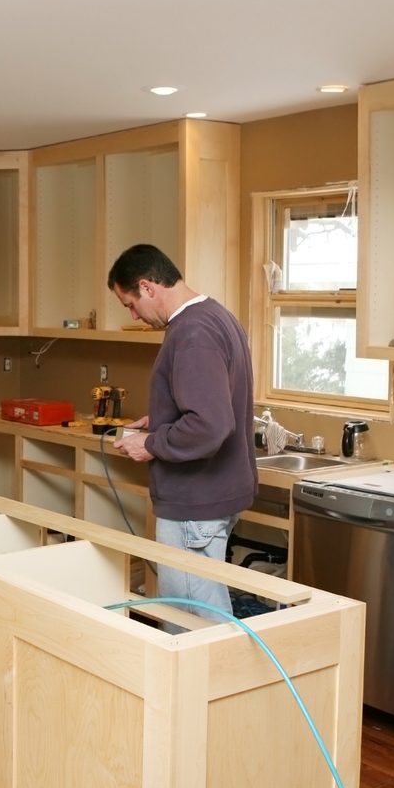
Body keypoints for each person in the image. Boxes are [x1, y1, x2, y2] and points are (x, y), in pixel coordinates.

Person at [107, 243, 257, 624]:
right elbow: (207, 404)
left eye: (130, 304)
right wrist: (158, 419)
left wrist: (153, 443)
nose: (134, 315)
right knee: (200, 612)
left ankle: (217, 686)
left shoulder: (192, 332)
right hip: (213, 494)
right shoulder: (215, 316)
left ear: (147, 287)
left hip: (195, 503)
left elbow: (210, 424)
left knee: (195, 622)